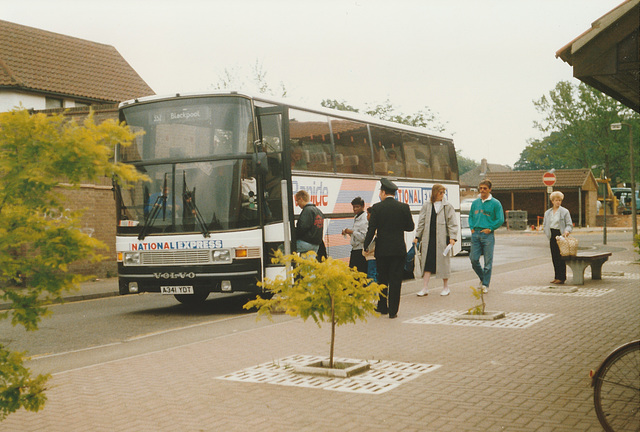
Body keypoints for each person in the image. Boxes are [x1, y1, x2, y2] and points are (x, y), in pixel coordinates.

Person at [364, 178, 415, 319]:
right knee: (395, 280)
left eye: (380, 192)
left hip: (382, 250)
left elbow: (371, 229)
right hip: (398, 249)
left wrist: (366, 245)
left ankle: (382, 307)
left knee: (382, 279)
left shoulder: (377, 208)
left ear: (383, 192)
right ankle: (393, 311)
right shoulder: (404, 207)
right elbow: (410, 227)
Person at [413, 184, 459, 297]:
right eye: (440, 192)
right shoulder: (427, 205)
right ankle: (425, 288)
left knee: (443, 263)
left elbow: (452, 223)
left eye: (443, 193)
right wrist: (417, 236)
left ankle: (446, 287)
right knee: (427, 263)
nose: (442, 195)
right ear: (434, 193)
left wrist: (452, 238)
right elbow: (421, 222)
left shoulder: (447, 206)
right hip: (429, 239)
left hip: (442, 240)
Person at [468, 179, 504, 294]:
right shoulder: (475, 203)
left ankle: (485, 284)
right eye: (481, 188)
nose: (482, 190)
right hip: (476, 234)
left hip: (487, 235)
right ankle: (483, 278)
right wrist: (472, 227)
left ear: (489, 189)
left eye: (485, 188)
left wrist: (491, 228)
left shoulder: (496, 203)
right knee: (473, 259)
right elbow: (470, 217)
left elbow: (500, 219)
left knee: (488, 262)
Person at [543, 191, 573, 284]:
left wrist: (567, 231)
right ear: (552, 201)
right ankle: (556, 276)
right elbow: (545, 224)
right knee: (554, 256)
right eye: (556, 200)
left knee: (561, 257)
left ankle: (562, 277)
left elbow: (569, 224)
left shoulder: (564, 212)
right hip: (552, 235)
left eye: (560, 200)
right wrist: (546, 232)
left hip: (560, 234)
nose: (558, 202)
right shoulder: (547, 213)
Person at [342, 197, 368, 274]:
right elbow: (357, 235)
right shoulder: (357, 217)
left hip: (361, 251)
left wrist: (352, 232)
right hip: (355, 250)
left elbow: (364, 237)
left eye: (357, 207)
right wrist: (348, 232)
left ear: (363, 206)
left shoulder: (364, 219)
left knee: (360, 274)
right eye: (353, 207)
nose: (355, 209)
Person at [294, 190, 324, 255]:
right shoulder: (318, 211)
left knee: (282, 248)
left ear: (301, 199)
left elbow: (302, 227)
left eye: (297, 201)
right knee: (307, 264)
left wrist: (294, 236)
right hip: (316, 245)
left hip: (306, 243)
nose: (297, 204)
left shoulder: (307, 210)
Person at [363, 207, 378, 283]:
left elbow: (371, 240)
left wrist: (365, 247)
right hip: (374, 255)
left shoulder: (373, 227)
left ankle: (372, 292)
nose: (367, 216)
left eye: (368, 214)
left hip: (372, 255)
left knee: (371, 275)